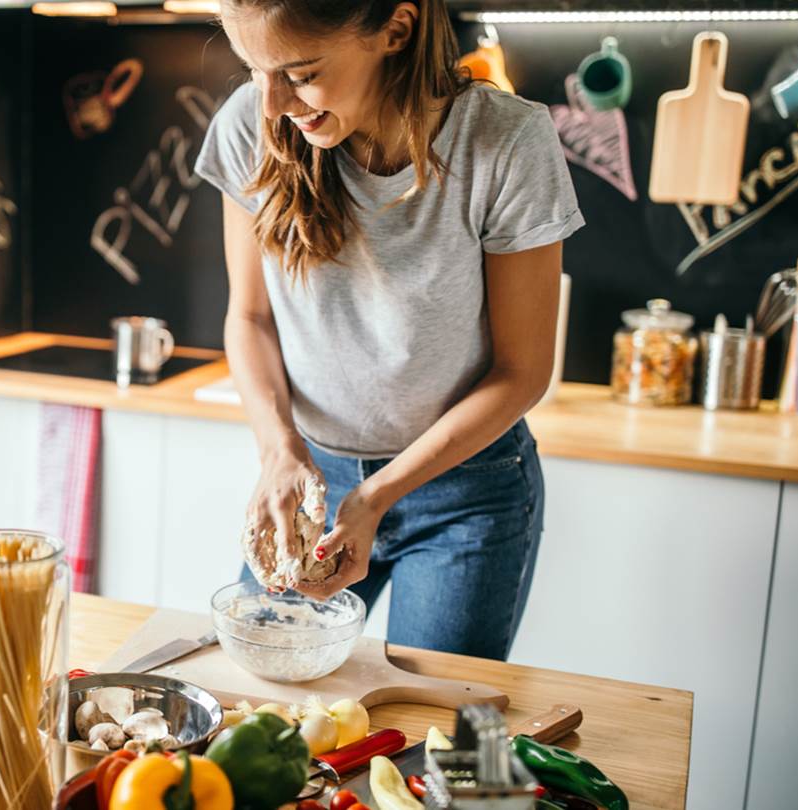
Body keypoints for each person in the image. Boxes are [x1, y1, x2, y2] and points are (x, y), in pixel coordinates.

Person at [194, 0, 583, 660]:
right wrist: (277, 449)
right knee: (263, 702)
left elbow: (522, 374)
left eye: (302, 72)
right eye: (254, 71)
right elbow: (250, 317)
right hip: (316, 477)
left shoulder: (506, 142)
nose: (272, 104)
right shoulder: (250, 128)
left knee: (426, 734)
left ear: (395, 30)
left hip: (467, 493)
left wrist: (378, 496)